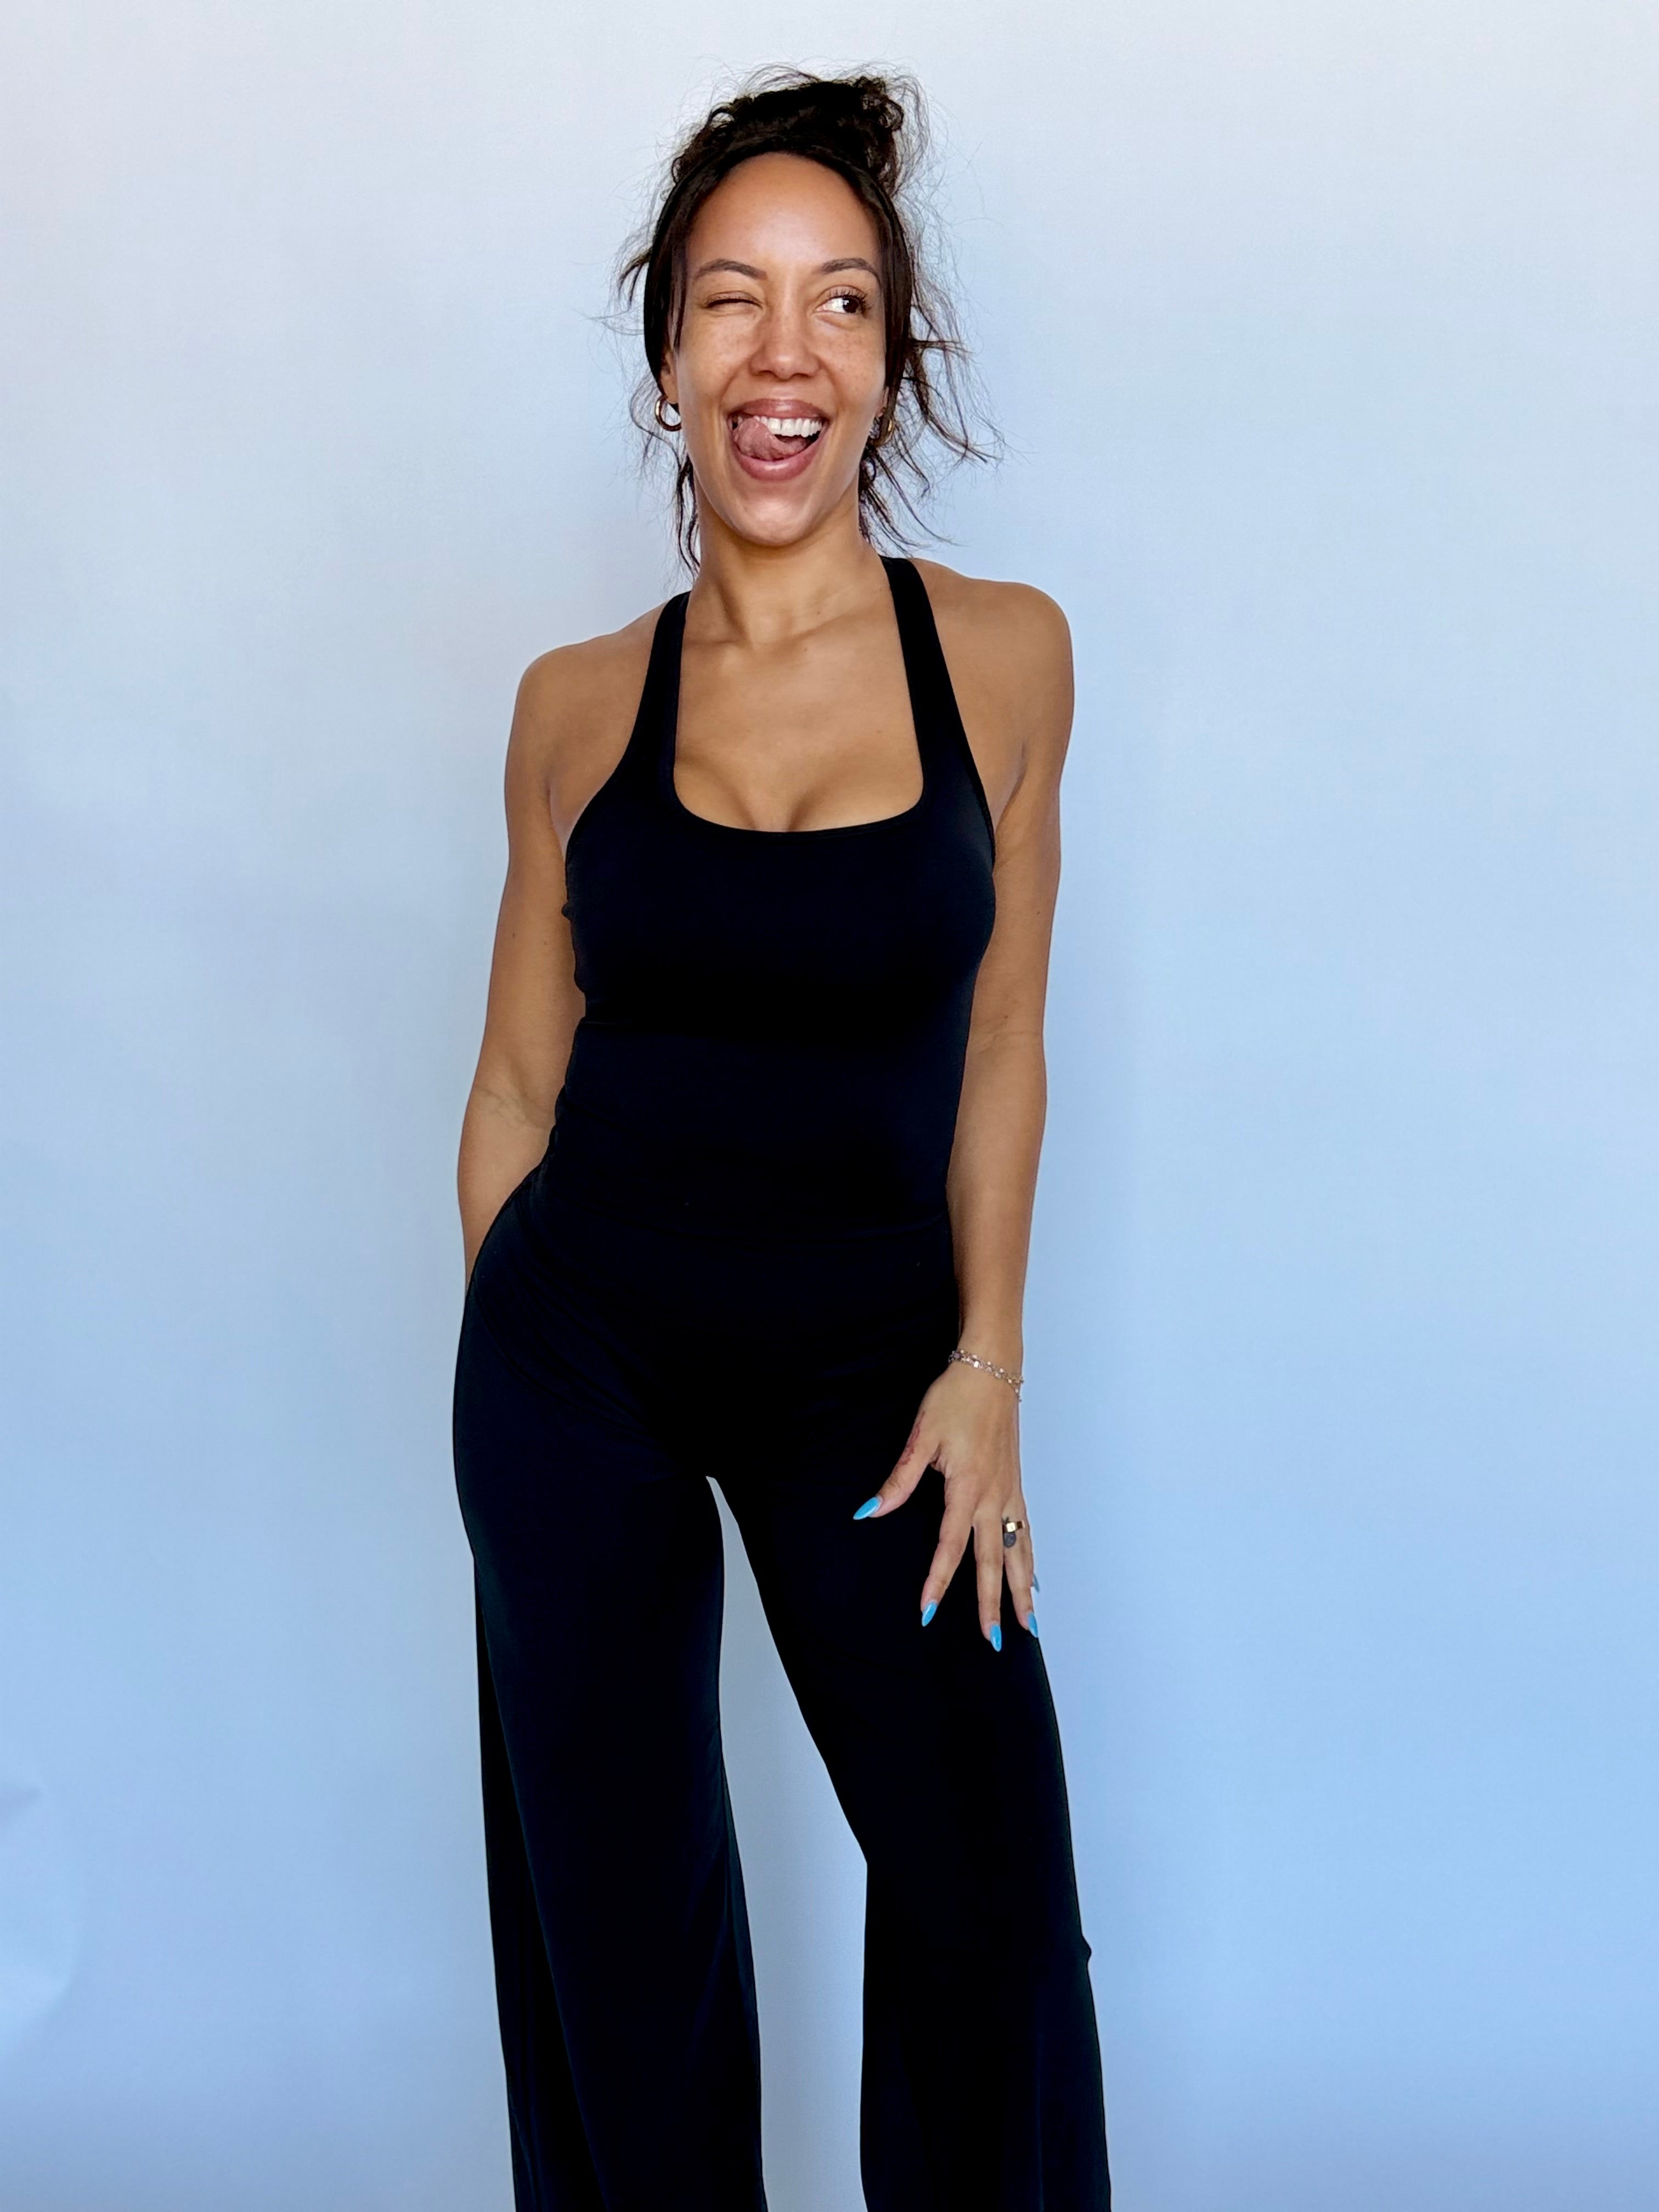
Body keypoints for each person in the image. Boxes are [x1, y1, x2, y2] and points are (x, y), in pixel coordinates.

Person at [451, 66, 1112, 2212]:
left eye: (839, 302)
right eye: (732, 299)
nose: (783, 352)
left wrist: (987, 1364)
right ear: (670, 357)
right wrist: (526, 1394)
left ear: (888, 362)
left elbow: (1002, 1041)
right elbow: (516, 1087)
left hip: (878, 1367)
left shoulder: (1001, 660)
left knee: (988, 1902)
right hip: (586, 1362)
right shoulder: (575, 704)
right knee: (621, 1947)